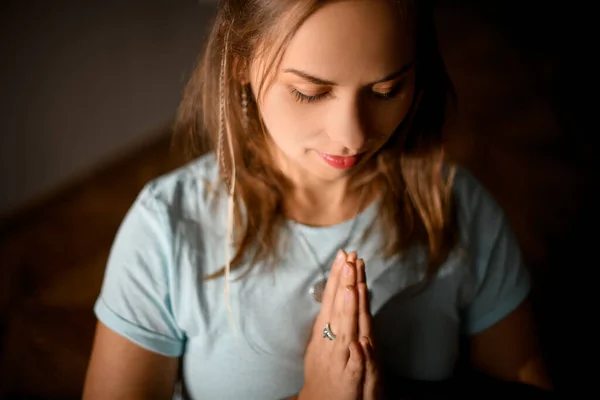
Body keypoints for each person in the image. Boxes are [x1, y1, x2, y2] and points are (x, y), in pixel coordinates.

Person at [83, 0, 553, 398]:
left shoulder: (458, 211)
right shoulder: (166, 228)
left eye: (387, 90)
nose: (351, 136)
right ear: (241, 60)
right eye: (310, 93)